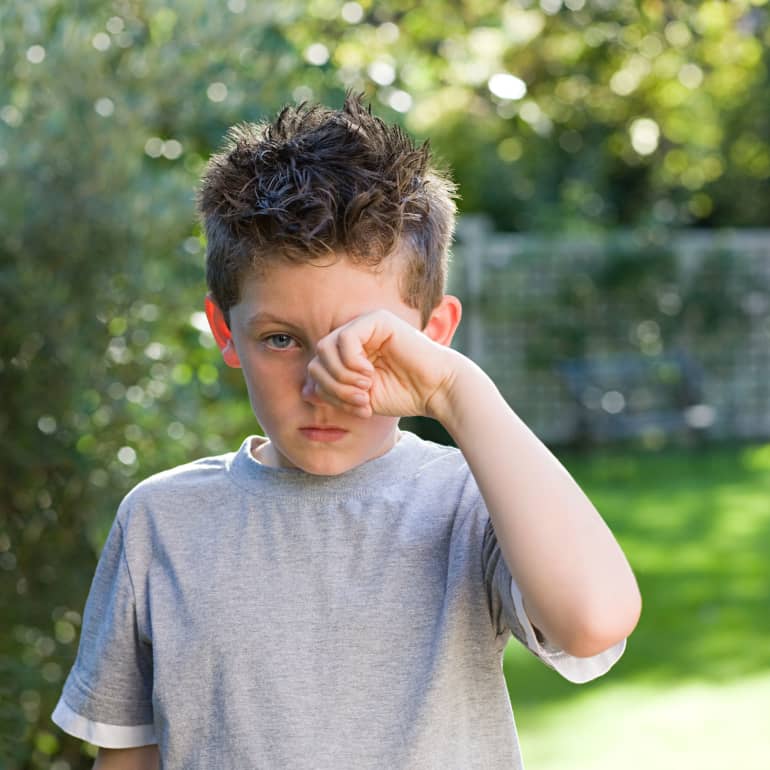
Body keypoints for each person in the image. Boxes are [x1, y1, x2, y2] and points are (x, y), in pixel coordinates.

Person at [51, 94, 641, 769]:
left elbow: (593, 622)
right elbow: (129, 756)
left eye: (363, 340)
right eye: (281, 339)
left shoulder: (473, 505)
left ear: (434, 335)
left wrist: (455, 388)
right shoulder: (161, 520)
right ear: (226, 333)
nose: (320, 382)